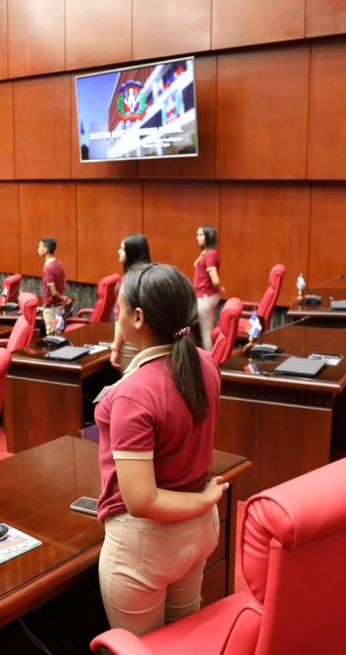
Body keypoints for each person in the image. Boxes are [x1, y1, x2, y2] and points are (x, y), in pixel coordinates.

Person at [95, 262, 228, 636]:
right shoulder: (205, 363)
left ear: (138, 317)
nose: (115, 316)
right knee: (183, 642)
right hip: (197, 531)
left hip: (146, 544)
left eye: (118, 309)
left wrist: (205, 501)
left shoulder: (133, 394)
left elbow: (141, 500)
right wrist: (202, 504)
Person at [110, 234, 152, 372]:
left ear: (132, 252)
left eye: (122, 248)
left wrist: (115, 348)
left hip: (130, 344)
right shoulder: (150, 276)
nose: (118, 251)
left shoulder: (126, 282)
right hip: (150, 341)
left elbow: (121, 319)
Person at [193, 225, 223, 351]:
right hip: (206, 296)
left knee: (206, 334)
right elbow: (196, 264)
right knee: (206, 332)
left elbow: (215, 280)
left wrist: (220, 288)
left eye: (201, 235)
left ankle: (209, 362)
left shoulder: (210, 255)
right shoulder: (211, 253)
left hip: (204, 297)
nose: (197, 237)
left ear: (208, 237)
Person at [38, 237, 70, 335]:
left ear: (46, 249)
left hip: (51, 310)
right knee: (59, 334)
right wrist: (62, 298)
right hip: (59, 309)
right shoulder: (59, 264)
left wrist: (62, 298)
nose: (38, 250)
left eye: (40, 247)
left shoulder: (47, 268)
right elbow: (65, 285)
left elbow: (53, 292)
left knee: (52, 339)